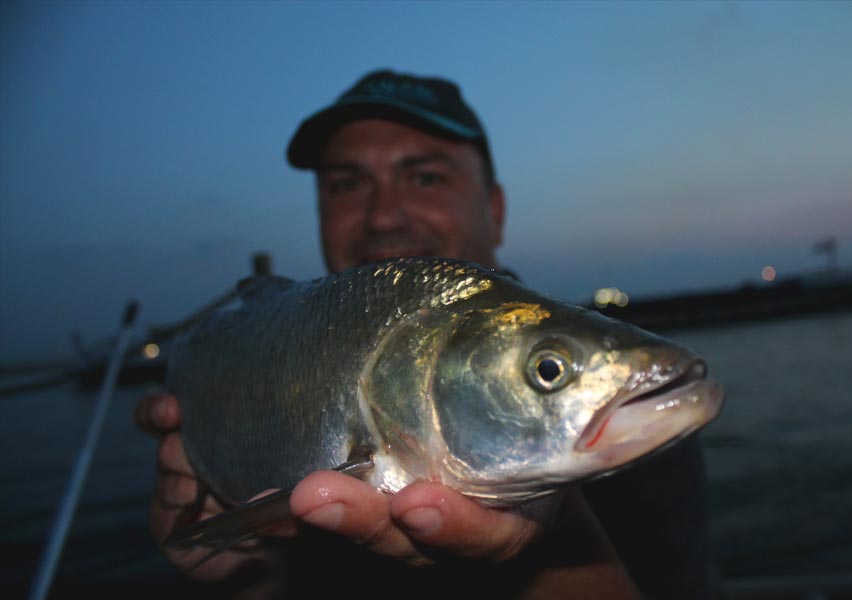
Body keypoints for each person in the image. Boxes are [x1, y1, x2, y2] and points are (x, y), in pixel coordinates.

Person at [134, 69, 712, 599]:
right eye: (345, 184)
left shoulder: (639, 437)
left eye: (426, 176)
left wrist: (547, 549)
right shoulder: (276, 343)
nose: (384, 214)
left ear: (496, 209)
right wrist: (244, 565)